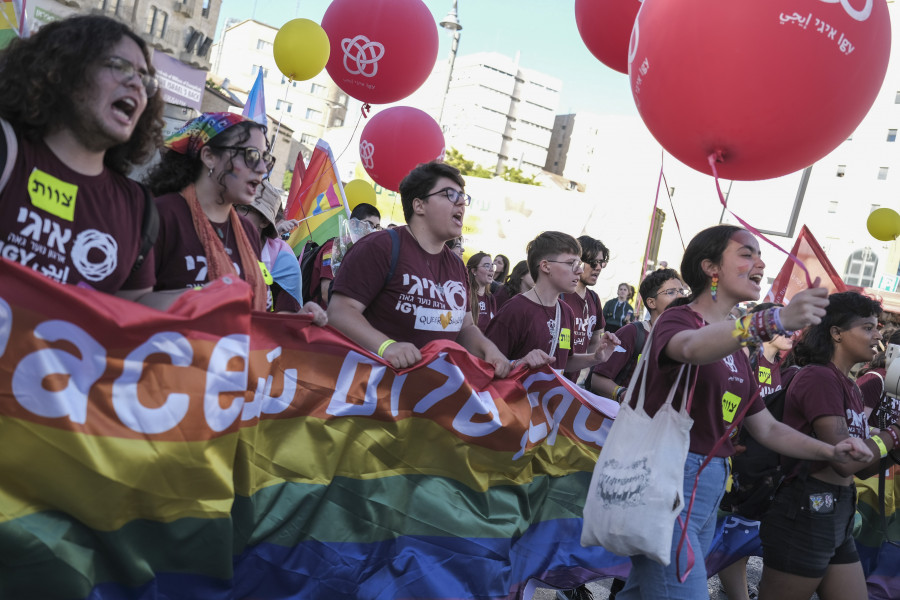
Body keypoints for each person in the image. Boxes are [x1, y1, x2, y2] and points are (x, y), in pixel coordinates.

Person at [616, 225, 871, 600]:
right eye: (746, 254)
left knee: (644, 593)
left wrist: (829, 451)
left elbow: (766, 427)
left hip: (709, 484)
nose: (760, 262)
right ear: (710, 267)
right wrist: (773, 321)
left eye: (758, 254)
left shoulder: (737, 349)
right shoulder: (680, 318)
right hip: (670, 477)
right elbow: (689, 349)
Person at [0, 15, 164, 297]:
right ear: (65, 70)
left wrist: (205, 307)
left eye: (144, 78)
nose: (137, 84)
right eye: (120, 66)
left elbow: (130, 320)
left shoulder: (140, 209)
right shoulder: (7, 151)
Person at [758, 291, 900, 600]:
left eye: (877, 327)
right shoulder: (819, 378)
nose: (877, 336)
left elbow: (861, 470)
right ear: (836, 332)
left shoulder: (850, 385)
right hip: (807, 509)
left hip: (839, 509)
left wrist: (893, 449)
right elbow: (845, 461)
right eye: (867, 327)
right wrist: (895, 434)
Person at [327, 161, 510, 376]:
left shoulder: (456, 266)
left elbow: (465, 327)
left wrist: (490, 350)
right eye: (449, 194)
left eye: (463, 197)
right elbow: (339, 312)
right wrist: (386, 346)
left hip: (428, 398)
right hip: (371, 392)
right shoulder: (379, 247)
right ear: (419, 205)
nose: (461, 203)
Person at [142, 113, 321, 321]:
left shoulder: (246, 231)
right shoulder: (160, 215)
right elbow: (126, 303)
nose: (262, 169)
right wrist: (205, 297)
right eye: (251, 156)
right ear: (209, 157)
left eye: (266, 159)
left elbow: (248, 318)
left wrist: (299, 320)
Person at [716, 302, 794, 600]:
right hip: (734, 457)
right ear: (764, 327)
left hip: (762, 463)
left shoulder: (784, 369)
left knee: (751, 529)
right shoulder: (745, 360)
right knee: (736, 530)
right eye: (783, 324)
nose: (792, 332)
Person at [485, 231, 620, 375]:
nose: (579, 270)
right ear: (545, 266)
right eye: (571, 263)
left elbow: (564, 361)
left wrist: (595, 357)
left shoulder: (566, 312)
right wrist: (518, 363)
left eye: (579, 264)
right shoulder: (515, 310)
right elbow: (486, 365)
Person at [590, 268, 685, 402]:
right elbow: (597, 380)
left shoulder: (685, 340)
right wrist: (624, 395)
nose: (681, 296)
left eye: (682, 291)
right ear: (652, 302)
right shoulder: (632, 333)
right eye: (671, 292)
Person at [237, 181, 326, 322]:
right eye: (231, 205)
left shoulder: (283, 259)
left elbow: (287, 319)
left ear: (265, 222)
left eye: (242, 208)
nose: (233, 213)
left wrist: (303, 316)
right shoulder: (210, 240)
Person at [308, 202, 381, 308]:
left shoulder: (361, 251)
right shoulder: (334, 247)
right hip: (321, 317)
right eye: (368, 224)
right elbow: (325, 293)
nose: (372, 230)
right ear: (352, 224)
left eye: (376, 227)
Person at [561, 235, 610, 384]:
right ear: (577, 262)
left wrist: (585, 370)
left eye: (602, 263)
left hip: (574, 384)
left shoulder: (594, 299)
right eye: (594, 262)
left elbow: (595, 340)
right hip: (549, 381)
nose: (599, 268)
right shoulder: (559, 294)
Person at [467, 252, 496, 333]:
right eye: (487, 266)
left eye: (492, 266)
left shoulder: (491, 298)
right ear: (474, 271)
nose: (491, 269)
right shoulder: (466, 295)